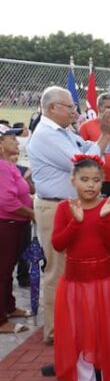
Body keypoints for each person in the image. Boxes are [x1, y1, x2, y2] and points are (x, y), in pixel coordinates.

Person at [27, 86, 110, 345]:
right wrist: (107, 136)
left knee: (70, 268)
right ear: (52, 108)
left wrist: (108, 137)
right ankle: (55, 331)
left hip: (68, 205)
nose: (74, 110)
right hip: (55, 207)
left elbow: (87, 147)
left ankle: (71, 325)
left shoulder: (62, 131)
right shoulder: (45, 135)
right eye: (69, 106)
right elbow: (83, 161)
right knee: (58, 271)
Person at [51, 155, 110, 381]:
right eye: (84, 179)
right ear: (73, 180)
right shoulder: (65, 208)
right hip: (76, 284)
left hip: (106, 282)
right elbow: (58, 244)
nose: (90, 185)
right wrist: (76, 221)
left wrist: (105, 218)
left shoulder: (108, 206)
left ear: (102, 182)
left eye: (96, 180)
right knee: (81, 333)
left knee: (108, 332)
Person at [0, 124, 34, 334]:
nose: (16, 141)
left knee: (8, 268)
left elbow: (23, 190)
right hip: (7, 224)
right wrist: (33, 214)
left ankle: (9, 307)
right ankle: (1, 320)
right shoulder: (2, 167)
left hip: (16, 224)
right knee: (2, 271)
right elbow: (7, 201)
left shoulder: (10, 166)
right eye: (11, 139)